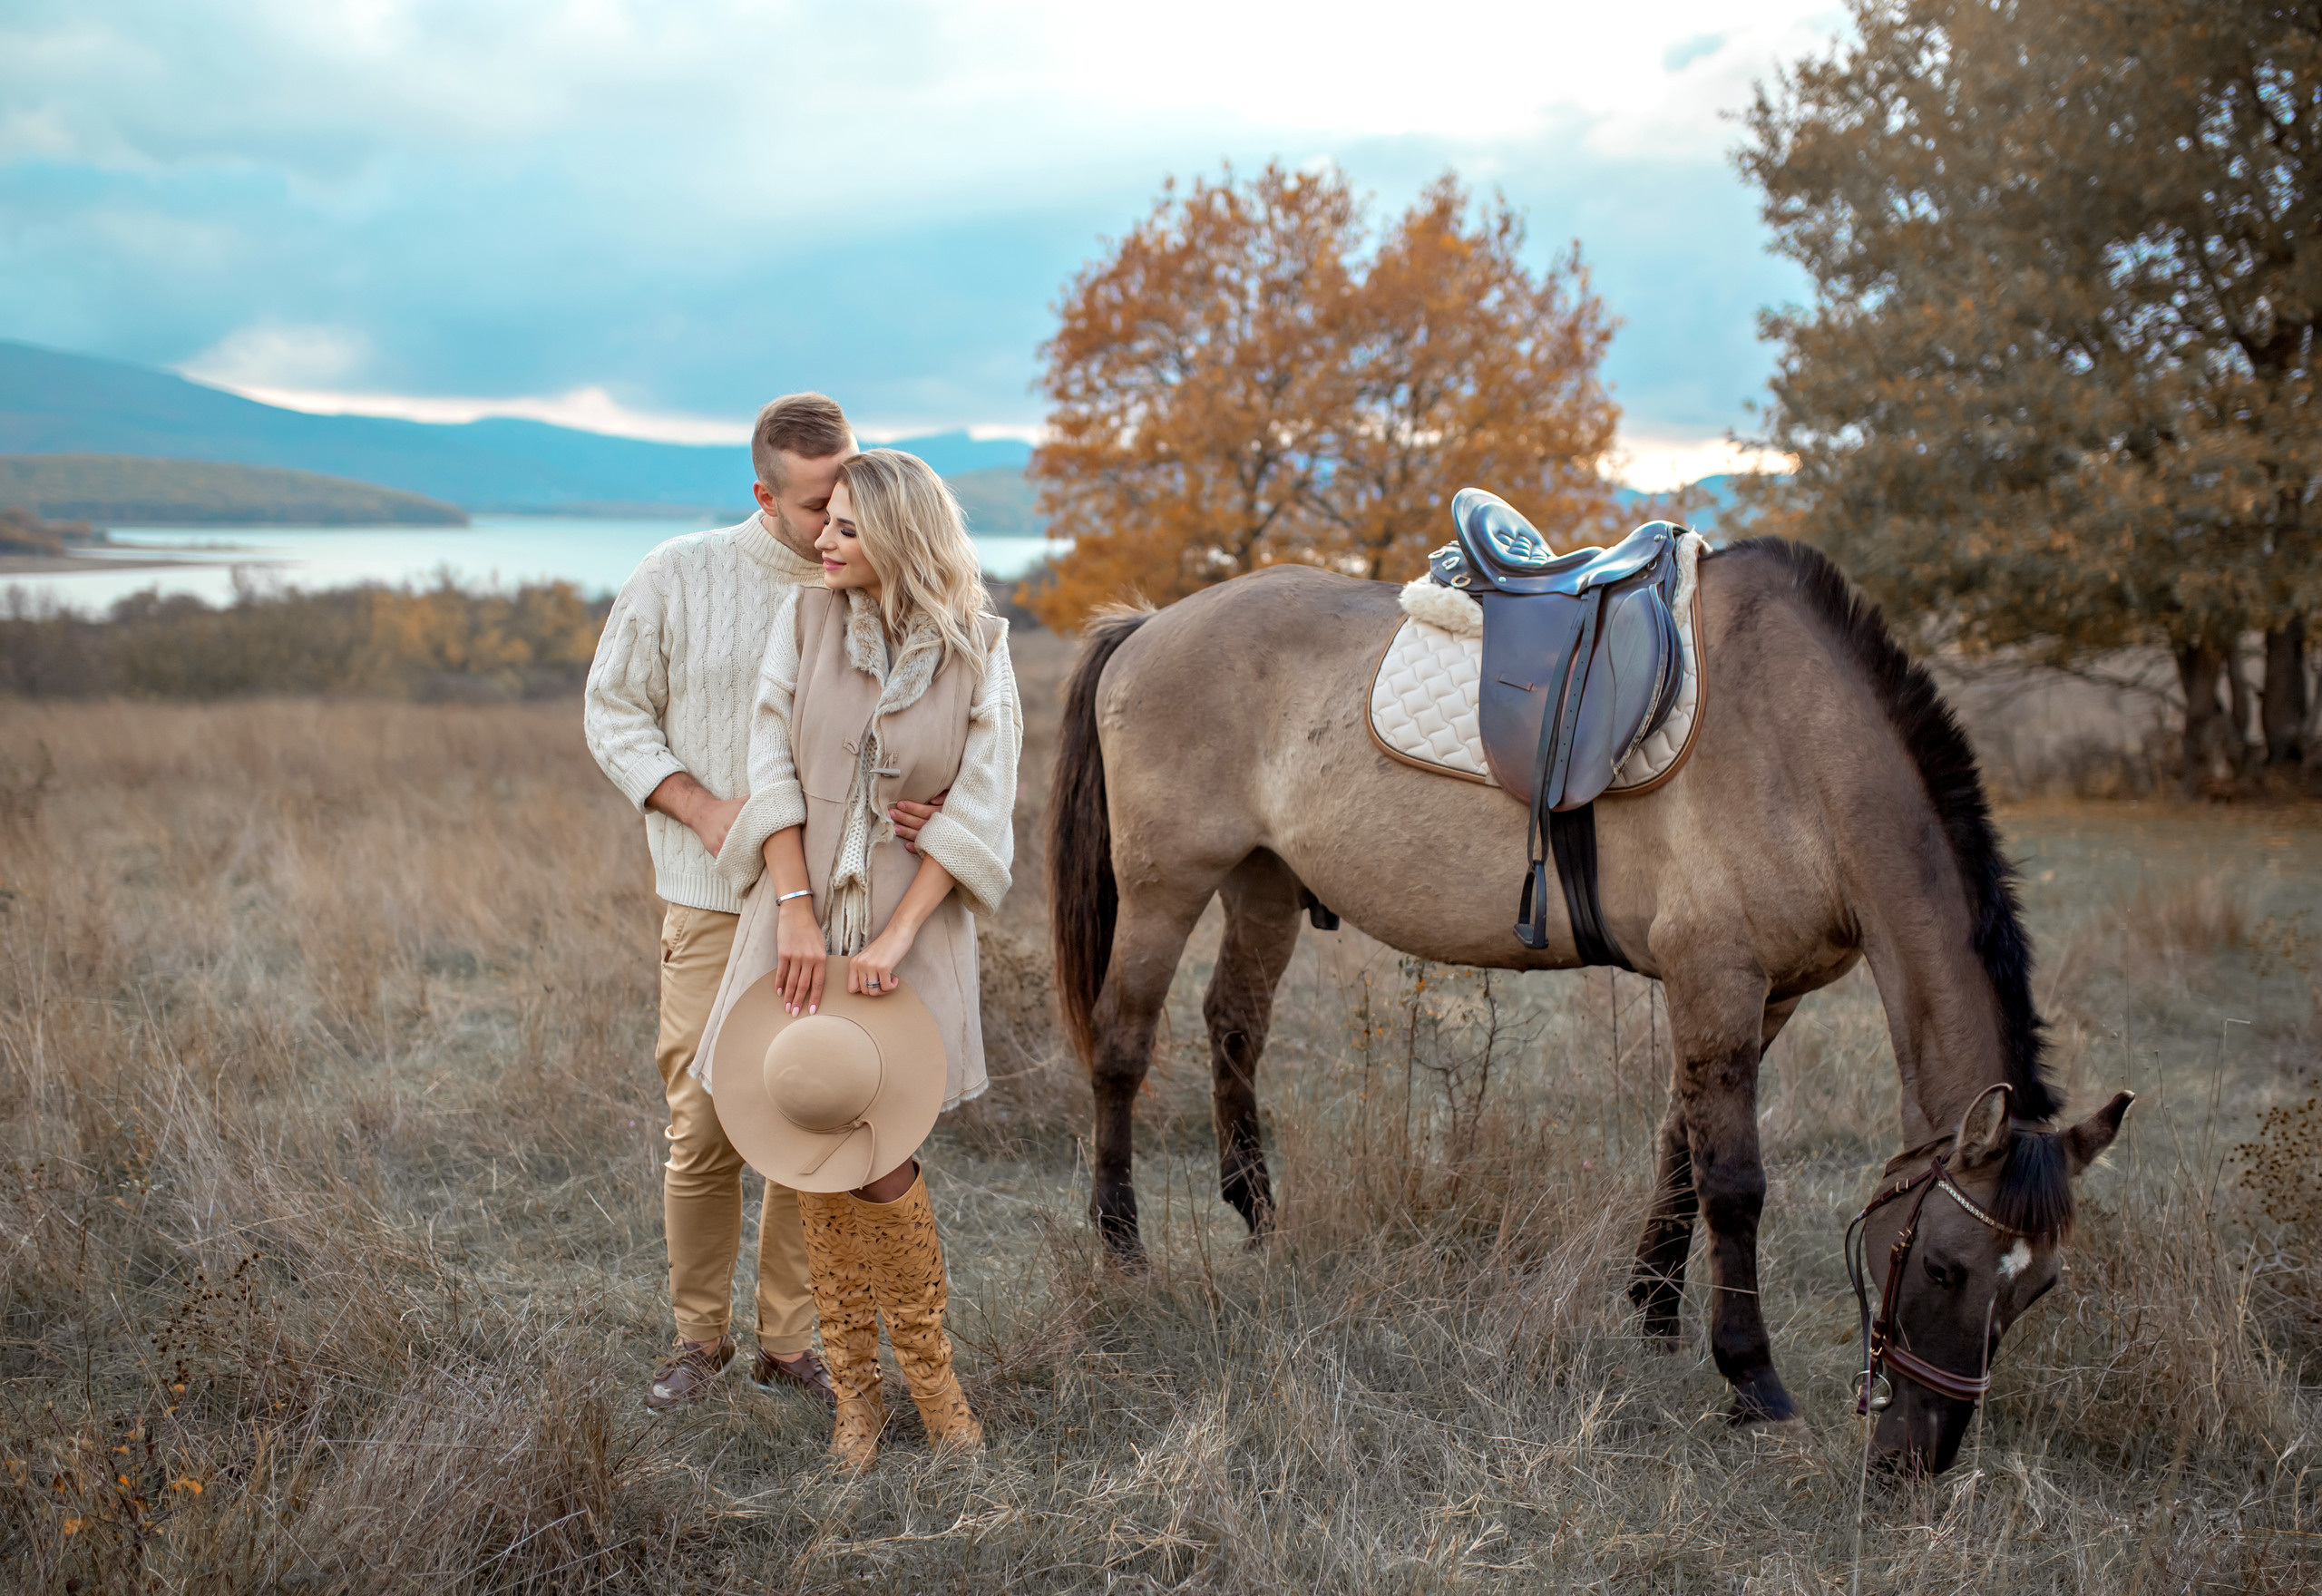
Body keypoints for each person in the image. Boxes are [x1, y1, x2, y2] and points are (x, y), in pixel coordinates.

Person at [701, 446, 1021, 1468]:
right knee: (810, 1137)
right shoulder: (801, 623)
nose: (822, 539)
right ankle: (855, 1399)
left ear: (897, 533)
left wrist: (893, 932)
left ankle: (935, 1388)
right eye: (822, 520)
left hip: (908, 921)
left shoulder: (981, 646)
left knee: (881, 1154)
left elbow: (979, 802)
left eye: (844, 525)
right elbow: (769, 766)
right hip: (795, 911)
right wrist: (794, 907)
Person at [584, 392, 871, 1413]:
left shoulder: (869, 582)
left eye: (849, 489)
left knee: (808, 1116)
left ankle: (786, 1342)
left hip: (832, 907)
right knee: (702, 1125)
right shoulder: (678, 574)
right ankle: (696, 1337)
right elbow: (610, 710)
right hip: (710, 898)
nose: (837, 518)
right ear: (761, 493)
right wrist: (698, 807)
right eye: (813, 504)